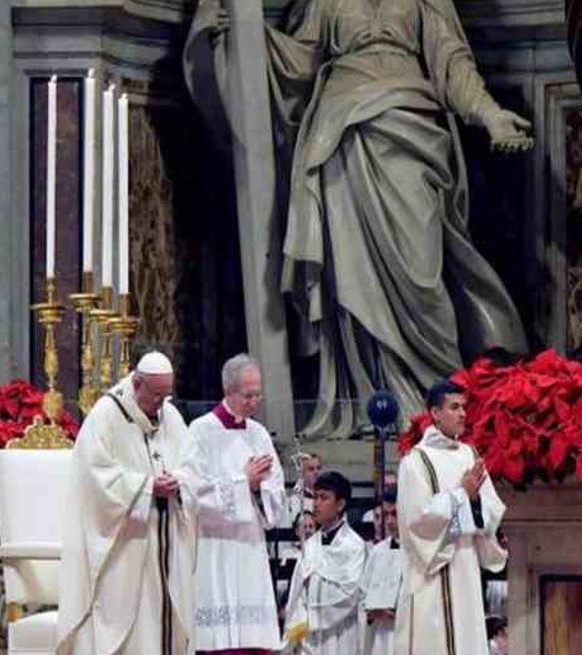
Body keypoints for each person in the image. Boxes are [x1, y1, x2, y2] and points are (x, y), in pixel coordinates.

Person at [186, 0, 533, 439]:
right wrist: (243, 35)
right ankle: (371, 403)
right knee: (351, 275)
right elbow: (298, 63)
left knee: (421, 276)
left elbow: (453, 65)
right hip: (340, 135)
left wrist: (490, 114)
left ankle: (436, 401)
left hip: (410, 129)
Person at [57, 352, 196, 655]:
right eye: (156, 394)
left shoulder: (170, 416)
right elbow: (93, 478)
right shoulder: (107, 414)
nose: (161, 403)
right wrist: (147, 487)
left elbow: (192, 464)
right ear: (136, 383)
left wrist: (179, 481)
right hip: (124, 546)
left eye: (166, 394)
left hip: (166, 539)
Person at [182, 354, 286, 653]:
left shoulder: (259, 434)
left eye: (258, 393)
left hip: (250, 545)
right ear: (228, 391)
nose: (255, 402)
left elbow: (276, 489)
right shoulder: (201, 432)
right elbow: (193, 491)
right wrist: (243, 482)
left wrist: (259, 488)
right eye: (248, 395)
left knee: (252, 638)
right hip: (215, 547)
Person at [395, 380, 508, 655]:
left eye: (464, 407)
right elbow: (418, 521)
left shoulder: (469, 454)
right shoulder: (415, 462)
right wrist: (461, 495)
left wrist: (475, 502)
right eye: (454, 407)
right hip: (431, 572)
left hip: (466, 564)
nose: (463, 414)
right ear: (435, 413)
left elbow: (491, 507)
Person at [283, 471, 367, 655]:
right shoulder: (310, 546)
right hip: (308, 640)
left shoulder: (353, 546)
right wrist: (300, 620)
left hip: (340, 636)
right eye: (315, 497)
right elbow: (296, 593)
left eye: (324, 498)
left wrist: (311, 616)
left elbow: (349, 594)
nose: (316, 503)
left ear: (340, 504)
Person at [362, 491, 403, 655]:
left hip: (406, 633)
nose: (390, 521)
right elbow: (362, 594)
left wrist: (399, 612)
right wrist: (371, 613)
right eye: (386, 515)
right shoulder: (377, 552)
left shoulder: (418, 552)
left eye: (395, 514)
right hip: (381, 636)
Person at [282, 452, 322, 531]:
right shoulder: (291, 501)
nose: (316, 472)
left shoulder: (329, 498)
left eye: (318, 468)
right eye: (311, 469)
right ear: (302, 473)